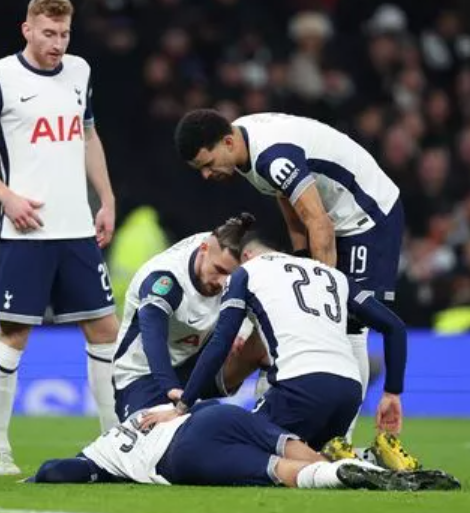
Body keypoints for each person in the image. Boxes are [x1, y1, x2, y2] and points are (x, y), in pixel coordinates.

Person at [0, 0, 119, 475]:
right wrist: (6, 196)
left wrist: (106, 199)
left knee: (105, 329)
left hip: (76, 230)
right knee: (13, 333)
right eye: (48, 33)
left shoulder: (80, 71)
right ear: (26, 29)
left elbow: (88, 135)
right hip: (26, 231)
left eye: (64, 34)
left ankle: (113, 442)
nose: (57, 44)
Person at [174, 109, 407, 446]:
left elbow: (319, 223)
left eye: (208, 164)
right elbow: (288, 201)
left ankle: (341, 441)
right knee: (335, 322)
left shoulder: (272, 156)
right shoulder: (245, 149)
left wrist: (322, 288)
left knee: (348, 325)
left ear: (227, 142)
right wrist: (301, 260)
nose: (207, 175)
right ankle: (335, 439)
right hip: (336, 213)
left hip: (367, 217)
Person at [142, 233, 409, 462]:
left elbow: (221, 342)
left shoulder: (246, 273)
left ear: (245, 254)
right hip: (349, 393)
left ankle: (361, 464)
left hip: (299, 390)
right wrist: (392, 393)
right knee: (305, 459)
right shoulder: (331, 274)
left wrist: (182, 405)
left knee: (235, 446)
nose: (226, 278)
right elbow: (394, 327)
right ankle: (368, 458)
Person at [31, 403, 459, 490]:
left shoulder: (101, 453)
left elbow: (57, 470)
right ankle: (388, 474)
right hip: (212, 414)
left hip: (183, 455)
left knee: (279, 471)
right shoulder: (148, 410)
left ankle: (348, 477)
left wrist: (39, 477)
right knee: (299, 451)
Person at [113, 213, 266, 421]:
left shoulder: (234, 260)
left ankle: (272, 424)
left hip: (196, 363)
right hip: (146, 373)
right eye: (219, 270)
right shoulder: (166, 279)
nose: (223, 283)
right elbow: (153, 338)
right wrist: (171, 388)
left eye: (231, 276)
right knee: (158, 439)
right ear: (203, 249)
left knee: (264, 345)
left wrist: (246, 329)